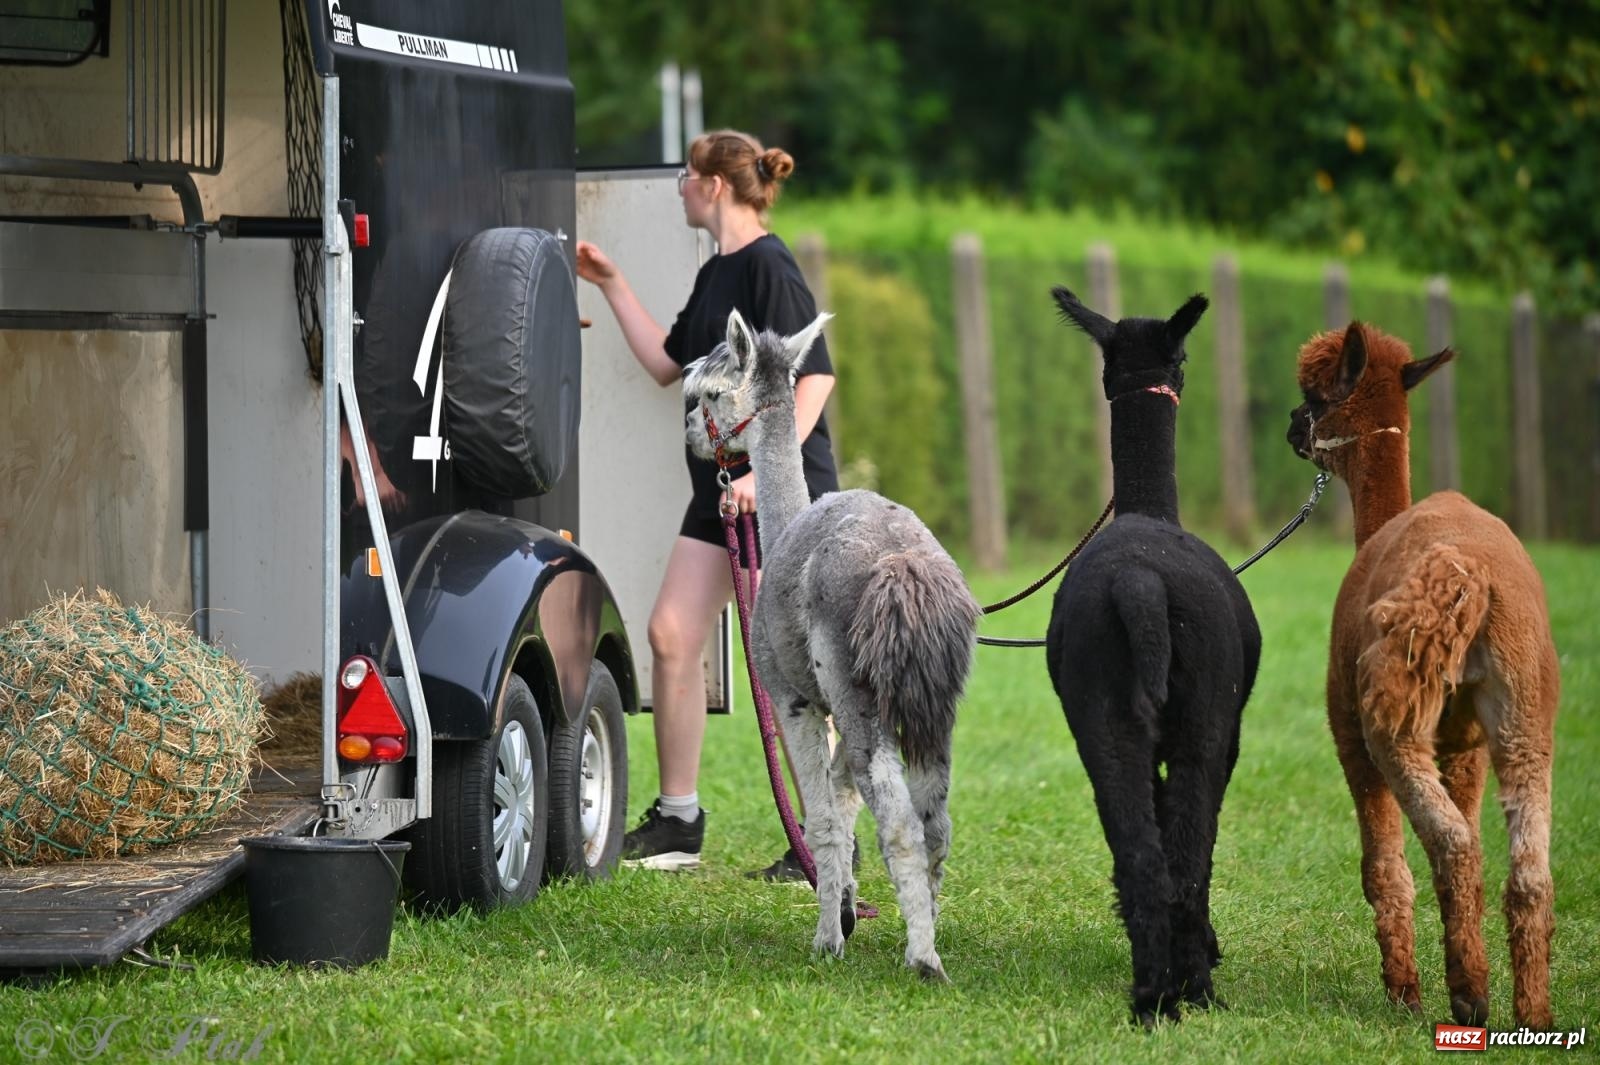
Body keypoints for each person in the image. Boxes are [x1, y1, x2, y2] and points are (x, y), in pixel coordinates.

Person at [576, 130, 838, 878]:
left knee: (790, 663)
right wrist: (610, 282)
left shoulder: (769, 266)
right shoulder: (717, 270)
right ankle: (678, 821)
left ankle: (823, 839)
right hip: (718, 496)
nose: (680, 189)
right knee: (670, 634)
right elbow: (668, 364)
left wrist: (765, 469)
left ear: (715, 185)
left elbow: (816, 377)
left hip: (776, 496)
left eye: (688, 177)